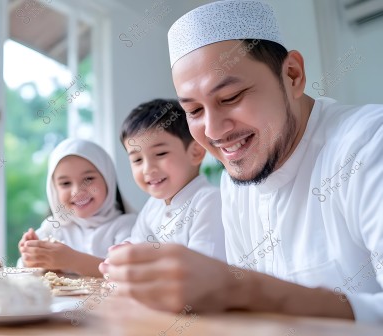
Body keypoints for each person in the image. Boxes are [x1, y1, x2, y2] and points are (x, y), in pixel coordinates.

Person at [100, 0, 383, 323]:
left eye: (230, 98)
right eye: (193, 111)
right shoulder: (235, 185)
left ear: (292, 75)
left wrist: (243, 289)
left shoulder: (369, 144)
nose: (213, 130)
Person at [119, 98, 225, 261]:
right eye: (137, 160)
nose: (148, 169)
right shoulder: (153, 205)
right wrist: (126, 252)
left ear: (195, 153)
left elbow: (204, 269)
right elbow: (139, 243)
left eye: (160, 154)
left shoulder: (209, 201)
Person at [19, 138, 136, 277]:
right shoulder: (54, 228)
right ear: (54, 189)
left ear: (108, 178)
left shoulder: (128, 226)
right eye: (66, 183)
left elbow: (127, 272)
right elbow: (25, 271)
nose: (77, 192)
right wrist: (31, 256)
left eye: (88, 179)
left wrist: (71, 260)